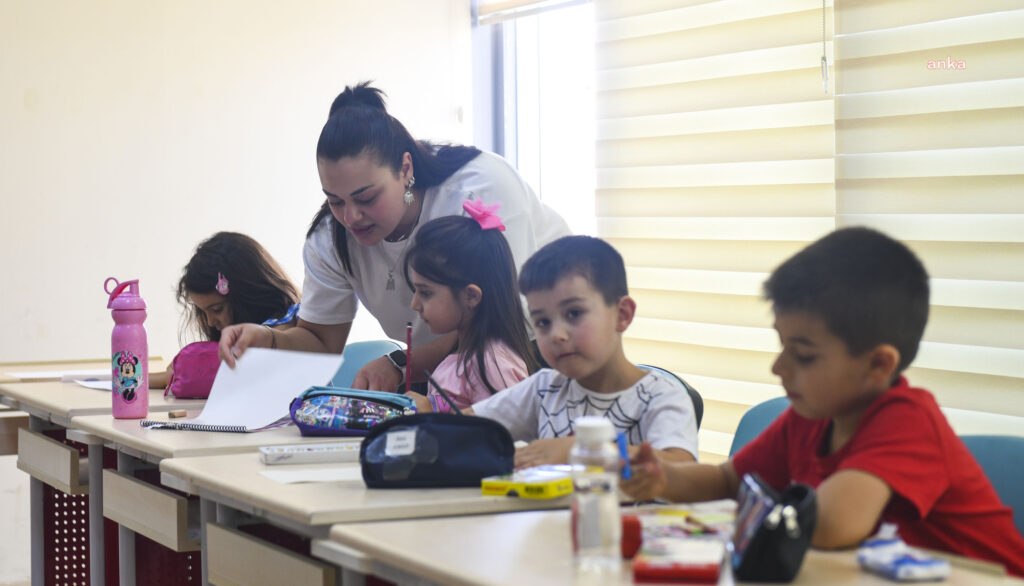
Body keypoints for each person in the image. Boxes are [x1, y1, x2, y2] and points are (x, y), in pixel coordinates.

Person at [621, 227, 1024, 576]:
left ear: (878, 364)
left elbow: (831, 526)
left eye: (804, 354)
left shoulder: (908, 421)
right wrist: (667, 478)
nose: (778, 367)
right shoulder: (811, 415)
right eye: (781, 345)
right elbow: (729, 481)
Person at [217, 82, 569, 389]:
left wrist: (401, 363)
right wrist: (267, 339)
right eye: (335, 201)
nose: (351, 217)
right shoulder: (329, 238)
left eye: (367, 198)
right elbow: (322, 339)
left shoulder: (478, 189)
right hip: (444, 365)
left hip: (536, 350)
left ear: (405, 169)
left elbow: (498, 323)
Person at [466, 235, 699, 469]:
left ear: (622, 315)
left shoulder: (662, 396)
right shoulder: (545, 388)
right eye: (543, 322)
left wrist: (580, 449)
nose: (557, 334)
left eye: (574, 313)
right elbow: (465, 428)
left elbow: (683, 468)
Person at [401, 200, 539, 413]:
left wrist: (430, 412)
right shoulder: (465, 356)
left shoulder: (492, 364)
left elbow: (503, 434)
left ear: (471, 296)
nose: (415, 304)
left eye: (425, 293)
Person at [150, 232, 300, 388]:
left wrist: (168, 376)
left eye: (217, 309)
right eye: (202, 312)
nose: (209, 321)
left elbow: (212, 373)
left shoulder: (283, 330)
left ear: (247, 296)